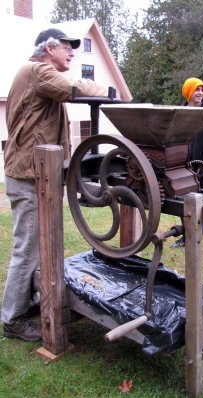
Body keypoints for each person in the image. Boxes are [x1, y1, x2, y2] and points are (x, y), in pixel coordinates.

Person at [2, 28, 108, 341]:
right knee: (28, 247)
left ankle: (28, 301)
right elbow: (73, 87)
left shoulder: (38, 75)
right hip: (28, 176)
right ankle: (12, 319)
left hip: (38, 174)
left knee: (39, 245)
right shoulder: (38, 71)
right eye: (67, 48)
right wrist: (107, 90)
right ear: (49, 49)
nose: (72, 53)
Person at [171, 77, 203, 248]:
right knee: (183, 203)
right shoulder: (180, 111)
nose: (200, 93)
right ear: (188, 93)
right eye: (196, 89)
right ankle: (186, 237)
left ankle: (195, 239)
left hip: (201, 168)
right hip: (183, 166)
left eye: (202, 89)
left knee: (200, 205)